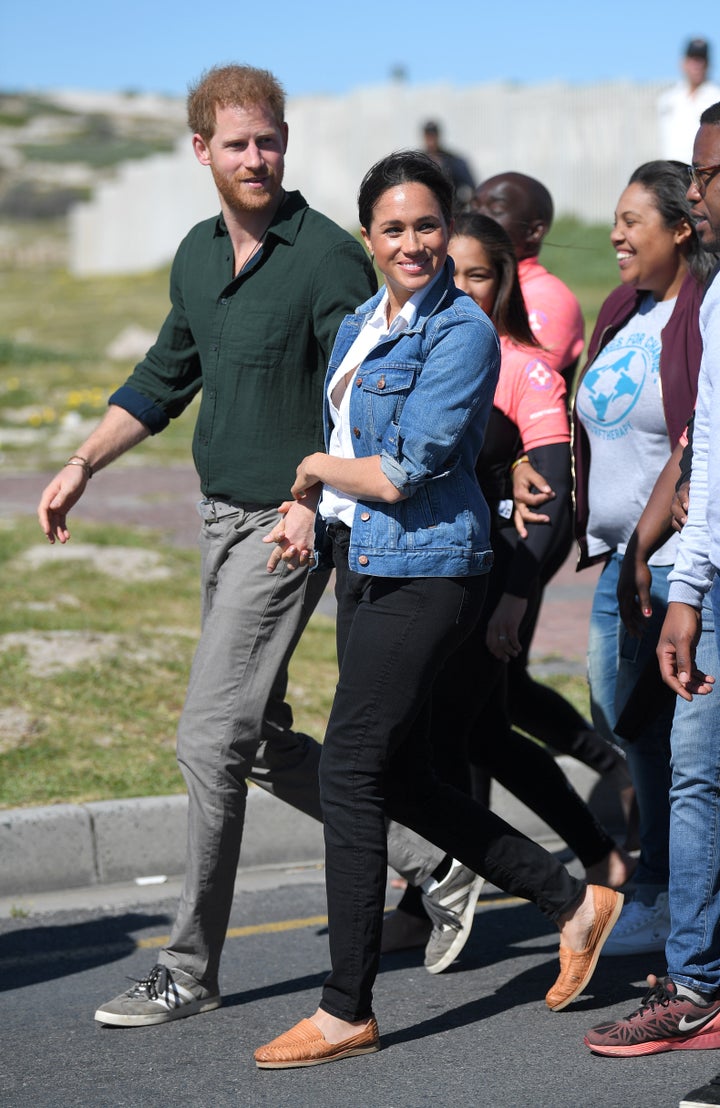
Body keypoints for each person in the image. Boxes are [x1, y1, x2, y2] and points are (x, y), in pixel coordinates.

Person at [253, 151, 623, 1069]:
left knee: (347, 769)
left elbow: (404, 469)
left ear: (446, 229)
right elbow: (344, 444)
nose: (414, 243)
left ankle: (346, 1007)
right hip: (366, 565)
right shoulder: (357, 328)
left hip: (431, 572)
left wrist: (307, 475)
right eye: (394, 228)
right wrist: (309, 501)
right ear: (369, 236)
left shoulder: (461, 331)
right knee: (405, 776)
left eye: (427, 226)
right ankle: (572, 901)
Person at [36, 63, 378, 1027]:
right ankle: (432, 860)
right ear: (202, 151)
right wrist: (83, 461)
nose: (257, 157)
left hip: (285, 524)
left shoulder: (324, 258)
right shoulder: (196, 254)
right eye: (237, 144)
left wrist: (310, 493)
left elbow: (357, 394)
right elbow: (163, 373)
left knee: (207, 738)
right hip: (217, 518)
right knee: (259, 740)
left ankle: (187, 968)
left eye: (268, 139)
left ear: (284, 139)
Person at [380, 212, 634, 973]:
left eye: (479, 273)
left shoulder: (524, 368)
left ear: (506, 283)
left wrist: (519, 599)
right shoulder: (410, 351)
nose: (460, 285)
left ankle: (462, 888)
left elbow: (549, 496)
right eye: (449, 270)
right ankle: (596, 862)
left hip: (489, 590)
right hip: (423, 578)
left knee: (443, 740)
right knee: (481, 736)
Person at [584, 106, 720, 1108]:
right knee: (683, 763)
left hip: (676, 565)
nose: (707, 193)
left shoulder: (697, 308)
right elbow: (709, 451)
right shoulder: (707, 312)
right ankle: (697, 980)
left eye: (712, 178)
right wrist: (682, 581)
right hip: (695, 574)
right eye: (704, 175)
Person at [472, 172, 635, 828]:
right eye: (476, 202)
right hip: (491, 501)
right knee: (492, 694)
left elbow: (523, 389)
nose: (479, 211)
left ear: (534, 230)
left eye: (496, 207)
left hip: (533, 507)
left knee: (489, 687)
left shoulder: (545, 298)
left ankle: (607, 772)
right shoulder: (469, 286)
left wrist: (507, 460)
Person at [658, 38, 720, 163]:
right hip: (672, 171)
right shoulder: (667, 99)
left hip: (702, 172)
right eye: (693, 60)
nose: (697, 66)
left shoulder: (717, 96)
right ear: (684, 63)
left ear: (708, 64)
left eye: (701, 60)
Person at [421, 120, 476, 210]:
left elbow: (470, 185)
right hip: (425, 207)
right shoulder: (419, 160)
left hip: (450, 208)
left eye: (433, 136)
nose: (431, 140)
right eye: (428, 136)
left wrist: (461, 202)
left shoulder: (452, 160)